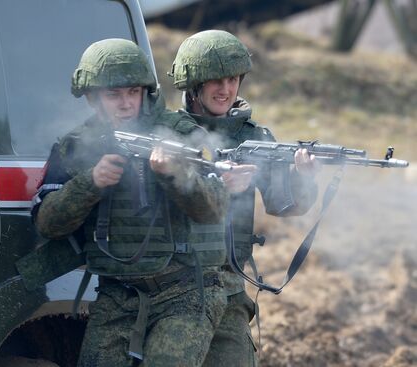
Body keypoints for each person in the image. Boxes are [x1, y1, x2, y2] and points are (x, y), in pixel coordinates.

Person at [32, 38, 231, 367]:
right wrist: (90, 183)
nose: (125, 104)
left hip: (184, 291)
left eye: (133, 93)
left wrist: (174, 175)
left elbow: (213, 210)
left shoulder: (179, 133)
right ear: (93, 99)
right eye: (114, 94)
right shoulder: (78, 145)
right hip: (117, 293)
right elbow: (48, 224)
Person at [169, 30, 321, 366]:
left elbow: (285, 205)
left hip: (227, 284)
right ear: (192, 83)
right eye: (215, 81)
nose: (225, 89)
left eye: (233, 79)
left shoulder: (254, 138)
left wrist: (302, 178)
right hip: (171, 285)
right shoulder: (169, 132)